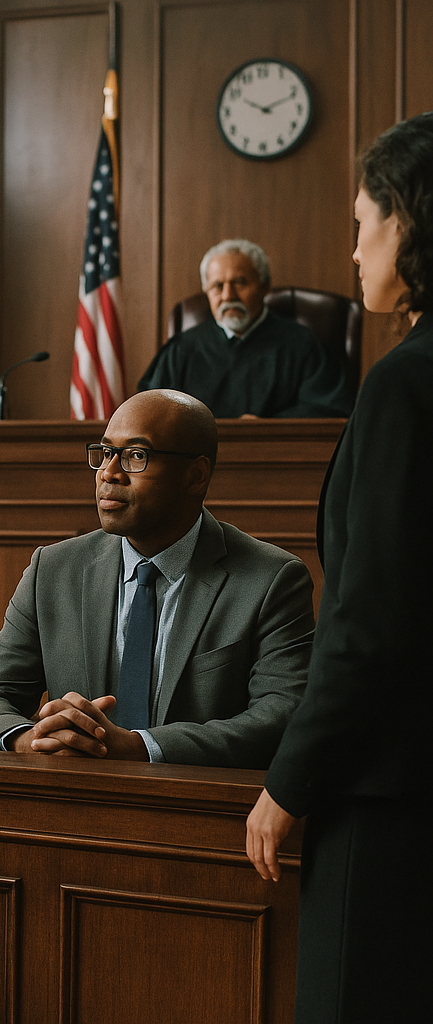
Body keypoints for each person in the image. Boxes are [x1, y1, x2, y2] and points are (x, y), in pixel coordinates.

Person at [246, 114, 433, 1023]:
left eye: (365, 222)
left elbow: (370, 626)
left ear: (414, 224)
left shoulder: (406, 384)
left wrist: (290, 782)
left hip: (390, 794)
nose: (353, 250)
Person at [0, 389, 314, 768]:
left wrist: (142, 748)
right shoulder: (53, 569)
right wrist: (31, 740)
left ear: (196, 475)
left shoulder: (272, 579)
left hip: (197, 812)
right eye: (106, 453)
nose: (109, 473)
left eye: (136, 456)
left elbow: (281, 718)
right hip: (69, 808)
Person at [138, 239, 355, 418]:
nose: (228, 296)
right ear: (206, 292)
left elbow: (330, 409)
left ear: (264, 286)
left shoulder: (302, 344)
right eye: (217, 286)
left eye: (240, 283)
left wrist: (267, 426)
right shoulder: (181, 349)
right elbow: (147, 412)